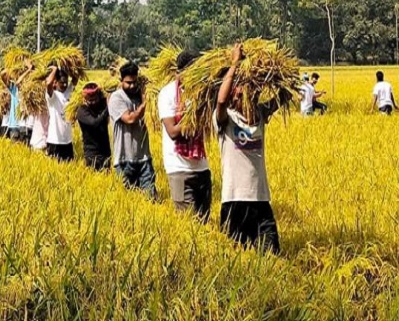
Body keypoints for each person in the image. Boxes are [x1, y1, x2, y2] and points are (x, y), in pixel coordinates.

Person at [214, 43, 282, 255]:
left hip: (261, 199)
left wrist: (272, 69)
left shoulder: (260, 114)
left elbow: (285, 95)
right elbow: (221, 100)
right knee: (236, 257)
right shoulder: (226, 119)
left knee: (272, 254)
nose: (244, 92)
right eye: (240, 88)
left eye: (248, 88)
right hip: (235, 199)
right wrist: (235, 63)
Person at [158, 49, 212, 222]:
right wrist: (195, 114)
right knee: (188, 225)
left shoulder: (201, 93)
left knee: (204, 221)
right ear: (178, 73)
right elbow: (173, 131)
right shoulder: (167, 94)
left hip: (202, 168)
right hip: (179, 169)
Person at [108, 62, 156, 199]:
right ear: (121, 81)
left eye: (135, 82)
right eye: (128, 83)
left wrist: (146, 95)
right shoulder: (117, 98)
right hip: (124, 161)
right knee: (127, 202)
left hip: (144, 159)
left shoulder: (139, 96)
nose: (132, 86)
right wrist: (145, 103)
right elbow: (129, 119)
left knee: (151, 199)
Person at [76, 83, 111, 171]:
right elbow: (94, 123)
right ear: (85, 99)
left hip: (105, 152)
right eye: (90, 100)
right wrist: (108, 108)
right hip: (92, 154)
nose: (93, 102)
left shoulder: (101, 105)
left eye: (95, 99)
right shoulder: (82, 110)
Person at [45, 66, 75, 162]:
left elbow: (76, 78)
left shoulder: (68, 93)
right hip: (55, 141)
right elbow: (48, 83)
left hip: (67, 141)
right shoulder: (52, 97)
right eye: (62, 83)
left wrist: (70, 67)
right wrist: (54, 70)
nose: (65, 85)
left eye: (66, 82)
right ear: (56, 82)